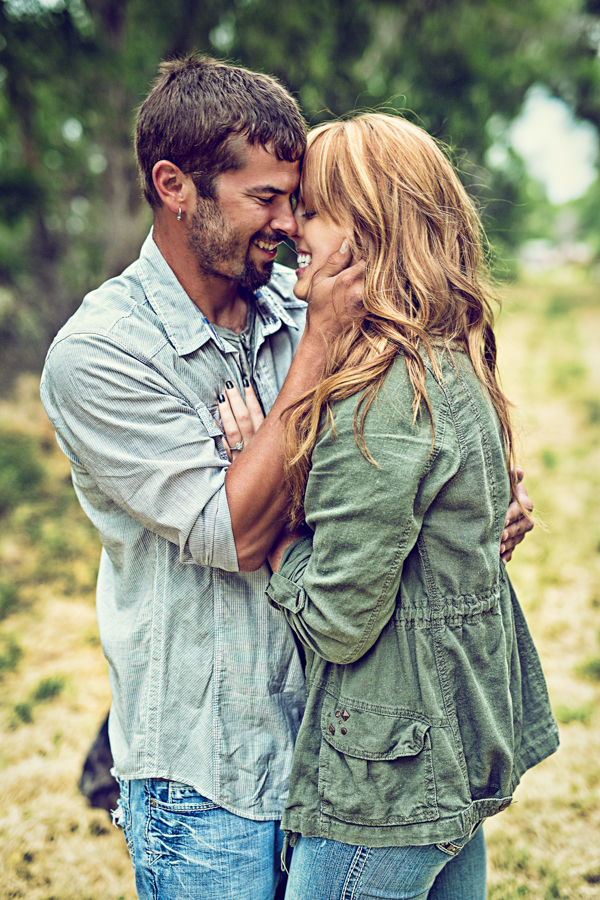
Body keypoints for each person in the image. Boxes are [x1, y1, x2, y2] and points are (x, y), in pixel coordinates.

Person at [40, 54, 533, 900]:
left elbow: (400, 447)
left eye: (297, 200)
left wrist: (474, 504)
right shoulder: (101, 355)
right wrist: (314, 358)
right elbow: (232, 533)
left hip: (341, 750)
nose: (288, 223)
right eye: (265, 199)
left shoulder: (303, 302)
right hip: (210, 776)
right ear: (174, 185)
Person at [259, 114, 559, 899]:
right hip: (445, 748)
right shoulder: (447, 361)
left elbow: (337, 619)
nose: (292, 227)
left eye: (314, 210)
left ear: (368, 231)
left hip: (388, 774)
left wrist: (273, 539)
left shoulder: (385, 399)